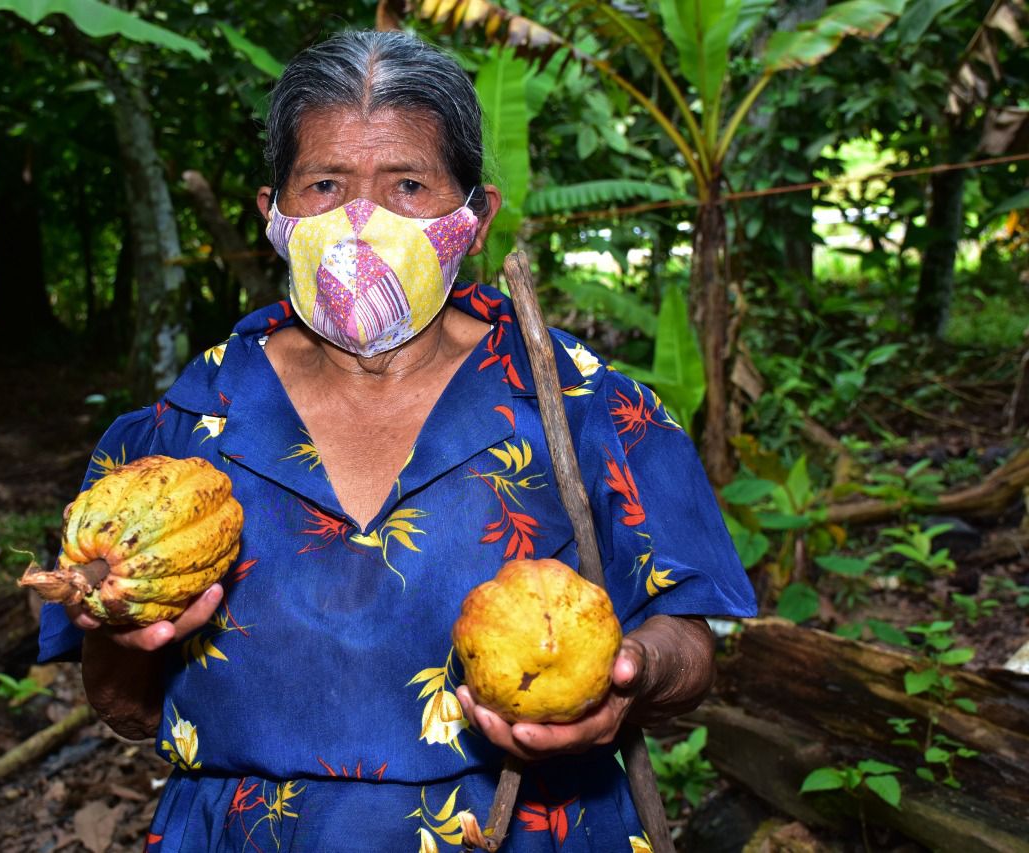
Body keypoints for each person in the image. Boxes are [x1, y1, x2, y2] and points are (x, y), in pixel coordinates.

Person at [38, 30, 756, 852]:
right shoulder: (187, 428)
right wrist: (124, 634)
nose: (361, 221)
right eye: (325, 183)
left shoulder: (583, 403)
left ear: (475, 217)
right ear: (273, 214)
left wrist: (631, 677)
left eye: (408, 183)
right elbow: (124, 709)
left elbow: (688, 645)